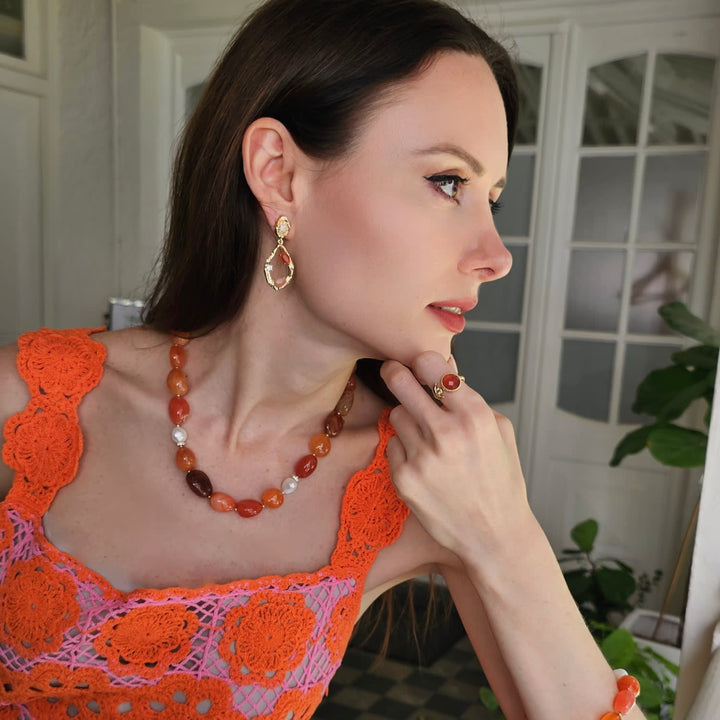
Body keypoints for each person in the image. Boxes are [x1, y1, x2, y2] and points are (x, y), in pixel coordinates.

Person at [0, 0, 646, 718]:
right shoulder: (26, 401)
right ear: (279, 173)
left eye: (490, 199)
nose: (496, 257)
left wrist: (507, 537)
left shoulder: (424, 488)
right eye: (448, 182)